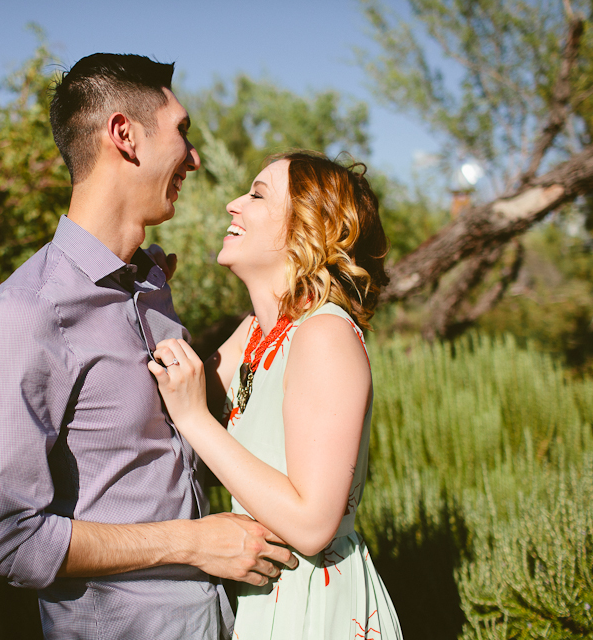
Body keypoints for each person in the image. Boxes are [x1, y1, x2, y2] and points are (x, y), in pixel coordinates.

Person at [0, 53, 296, 640]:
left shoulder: (147, 284)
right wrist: (192, 543)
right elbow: (4, 538)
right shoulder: (29, 314)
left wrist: (281, 299)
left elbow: (165, 421)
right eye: (182, 133)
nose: (193, 158)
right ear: (124, 135)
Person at [148, 151, 403, 639]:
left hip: (314, 607)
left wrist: (198, 419)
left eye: (258, 194)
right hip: (265, 595)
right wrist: (147, 289)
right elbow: (160, 409)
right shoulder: (256, 332)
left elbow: (311, 524)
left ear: (307, 228)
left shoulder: (324, 333)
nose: (232, 204)